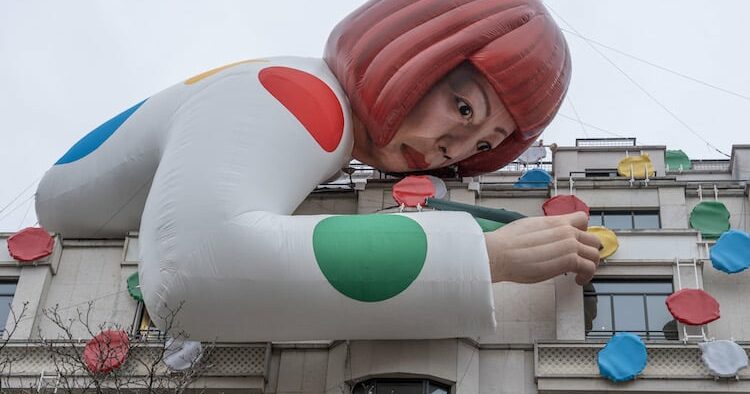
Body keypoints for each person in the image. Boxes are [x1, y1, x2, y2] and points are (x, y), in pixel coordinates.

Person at [34, 0, 599, 341]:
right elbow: (192, 269)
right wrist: (485, 257)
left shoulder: (314, 123)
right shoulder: (295, 98)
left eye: (483, 143)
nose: (453, 149)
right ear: (416, 51)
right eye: (464, 108)